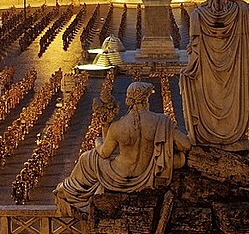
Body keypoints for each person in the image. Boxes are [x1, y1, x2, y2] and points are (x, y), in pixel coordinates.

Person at [54, 81, 191, 216]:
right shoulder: (162, 121)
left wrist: (98, 140)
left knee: (86, 158)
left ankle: (71, 191)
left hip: (119, 174)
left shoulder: (118, 126)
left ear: (129, 100)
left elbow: (104, 153)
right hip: (147, 173)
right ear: (146, 99)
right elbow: (185, 145)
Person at [180, 0, 249, 151]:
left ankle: (210, 136)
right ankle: (233, 134)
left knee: (187, 80)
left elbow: (194, 57)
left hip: (207, 81)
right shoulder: (239, 9)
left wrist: (185, 73)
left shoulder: (197, 16)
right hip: (234, 81)